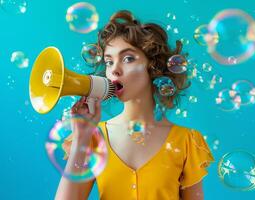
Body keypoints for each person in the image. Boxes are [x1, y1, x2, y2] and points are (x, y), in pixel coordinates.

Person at [55, 10, 214, 200]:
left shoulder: (187, 142)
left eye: (128, 58)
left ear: (153, 66)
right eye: (108, 61)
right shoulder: (93, 138)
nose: (114, 69)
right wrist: (81, 137)